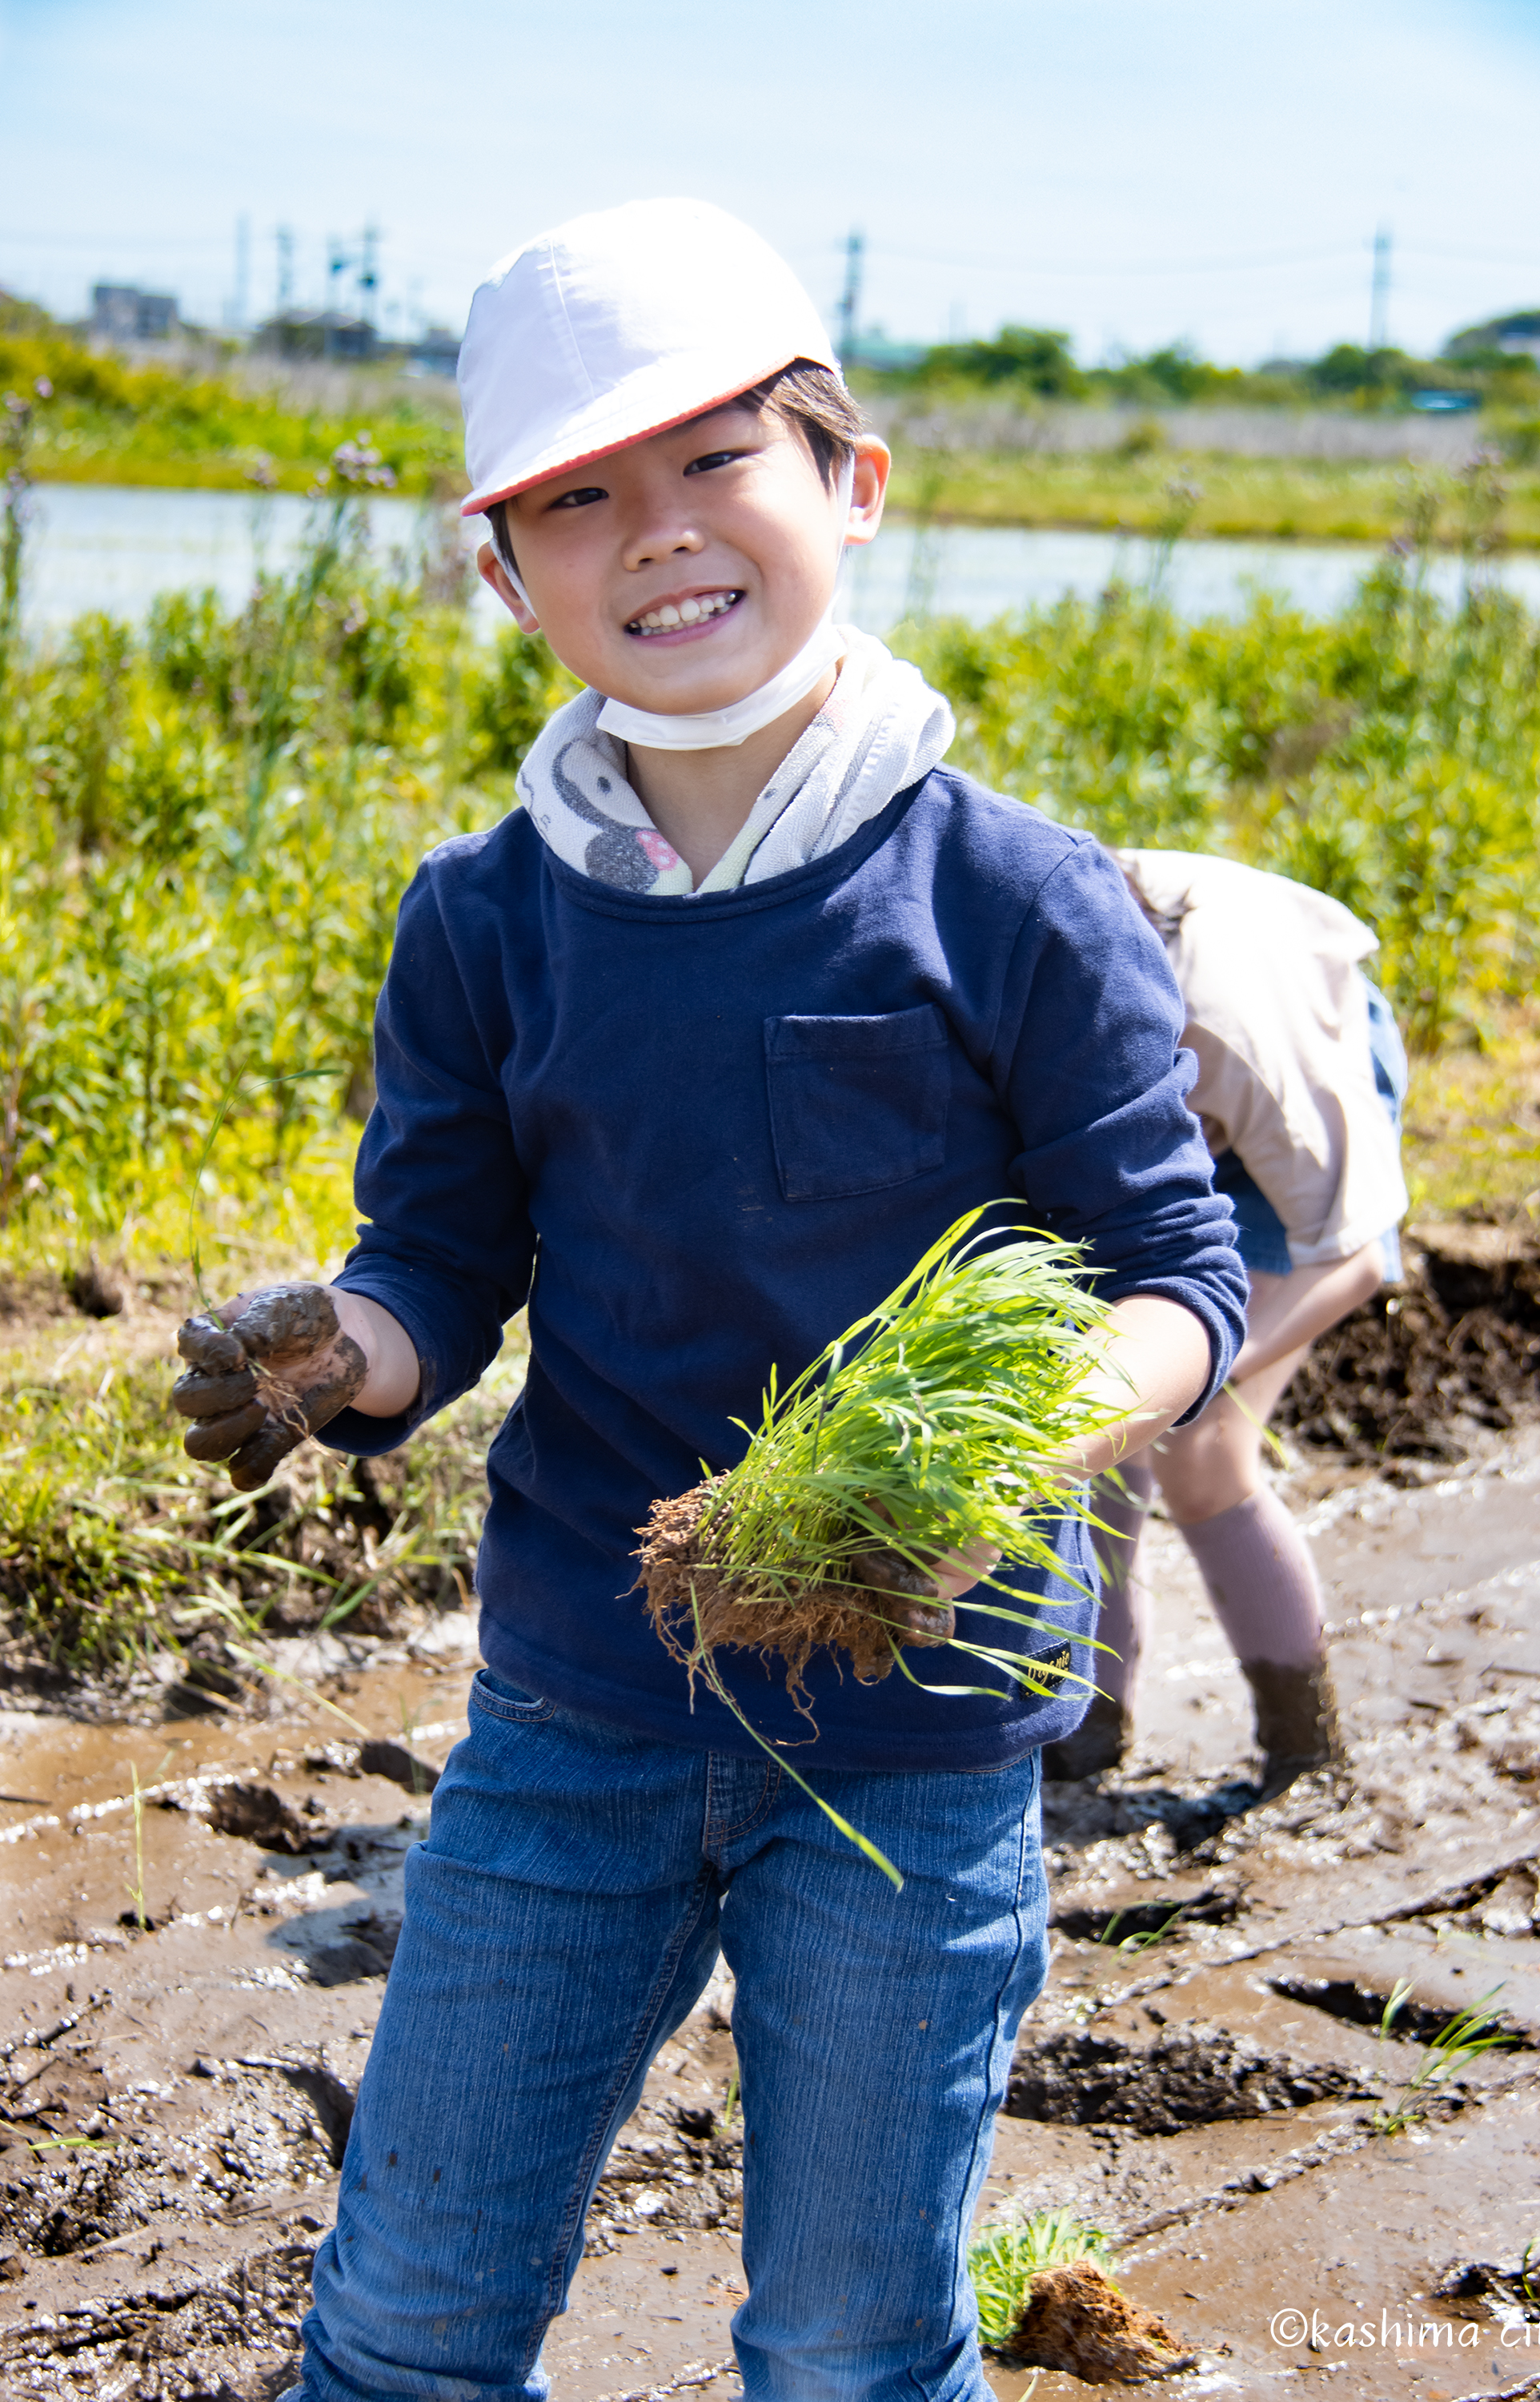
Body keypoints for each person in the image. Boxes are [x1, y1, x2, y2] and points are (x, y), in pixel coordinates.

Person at [170, 200, 1248, 2402]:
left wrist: (1002, 1450)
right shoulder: (485, 920)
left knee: (850, 2344)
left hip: (919, 1737)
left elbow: (1175, 1275)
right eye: (576, 496)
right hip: (580, 1711)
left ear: (850, 485)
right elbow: (442, 1264)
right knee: (400, 2327)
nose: (651, 534)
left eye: (711, 464)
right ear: (503, 572)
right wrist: (338, 1356)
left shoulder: (1014, 900)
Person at [1041, 849, 1408, 1797]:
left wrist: (1206, 1360)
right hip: (1159, 1114)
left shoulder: (1245, 1039)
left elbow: (1354, 1252)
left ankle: (1304, 1752)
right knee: (1094, 1427)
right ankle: (1088, 1726)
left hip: (1288, 1117)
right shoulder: (1033, 977)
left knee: (1200, 1446)